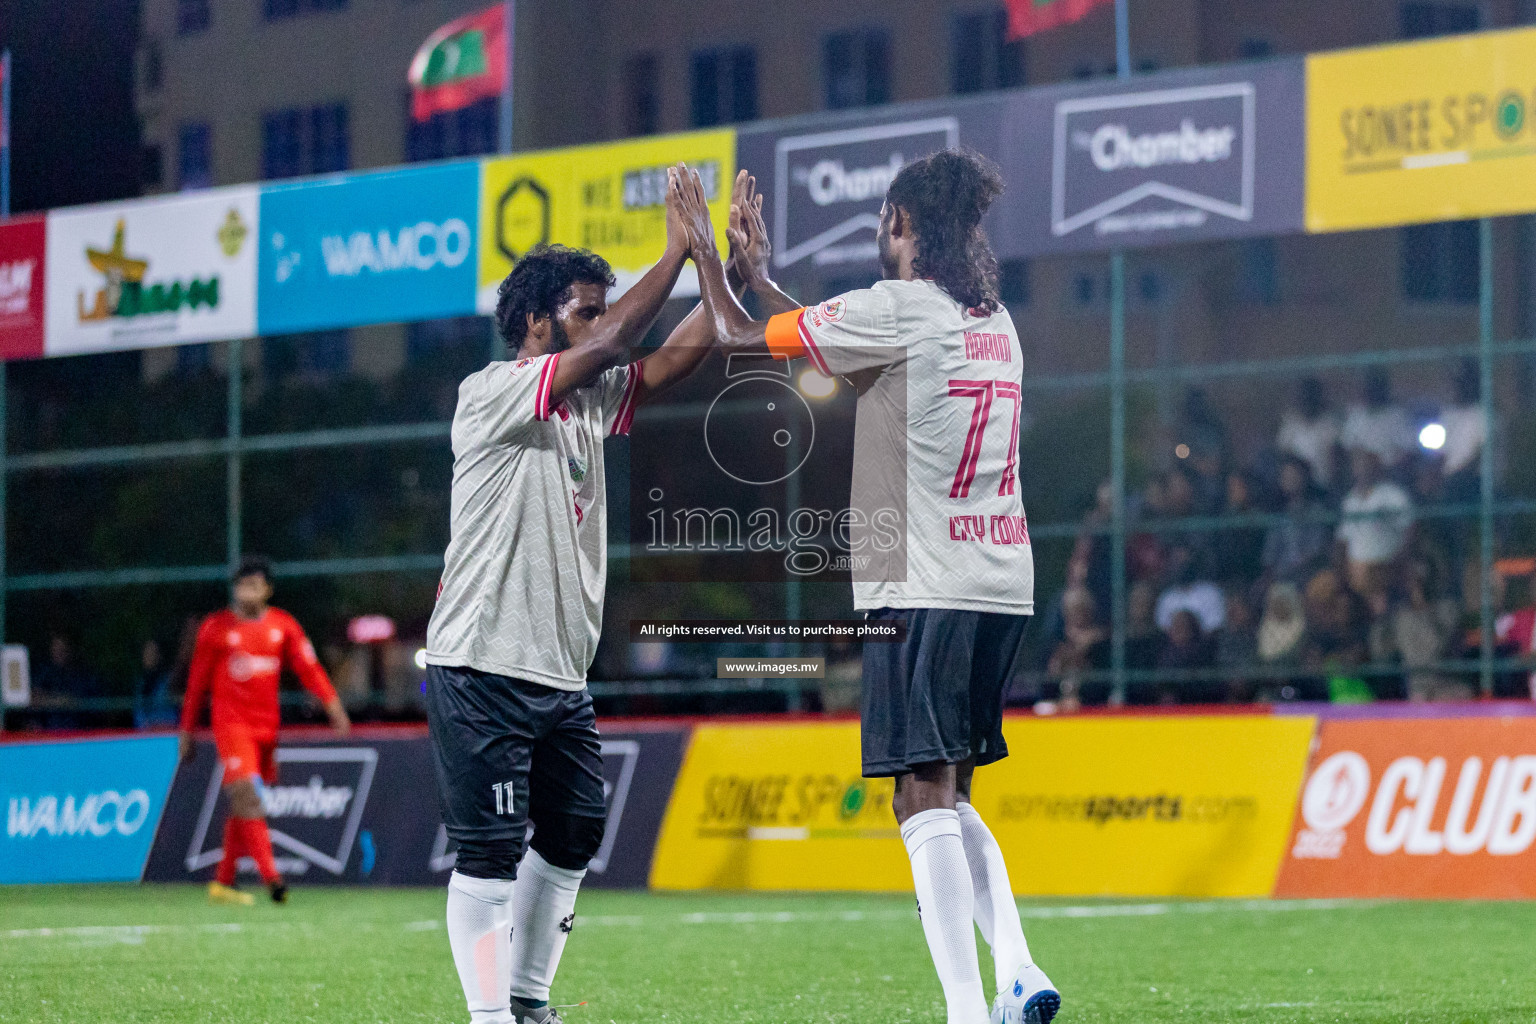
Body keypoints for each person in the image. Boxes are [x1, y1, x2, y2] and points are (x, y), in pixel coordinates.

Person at [680, 151, 1059, 1024]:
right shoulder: (994, 320)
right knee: (953, 792)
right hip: (1000, 578)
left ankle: (968, 1009)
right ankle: (1021, 969)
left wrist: (707, 259)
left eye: (885, 221)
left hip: (920, 582)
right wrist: (764, 280)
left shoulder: (899, 310)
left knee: (915, 794)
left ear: (903, 227)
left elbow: (739, 339)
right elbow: (831, 341)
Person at [423, 169, 760, 1024]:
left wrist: (734, 277)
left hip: (561, 677)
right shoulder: (492, 394)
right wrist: (679, 252)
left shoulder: (587, 401)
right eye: (582, 308)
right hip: (484, 663)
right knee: (489, 856)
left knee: (573, 836)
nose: (599, 319)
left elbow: (670, 357)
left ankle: (530, 997)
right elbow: (613, 344)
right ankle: (490, 1016)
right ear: (535, 321)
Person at [178, 555, 351, 905]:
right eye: (241, 585)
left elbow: (309, 668)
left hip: (267, 729)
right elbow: (196, 683)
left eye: (254, 585)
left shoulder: (283, 626)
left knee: (244, 805)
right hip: (231, 727)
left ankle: (223, 882)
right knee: (247, 796)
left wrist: (333, 706)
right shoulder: (215, 628)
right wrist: (187, 731)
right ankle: (273, 879)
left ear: (268, 589)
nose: (246, 592)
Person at [1276, 376, 1340, 492]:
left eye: (1309, 396)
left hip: (1323, 487)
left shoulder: (1329, 425)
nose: (1305, 401)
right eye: (1302, 396)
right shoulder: (1290, 425)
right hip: (1296, 489)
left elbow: (1335, 460)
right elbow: (1283, 455)